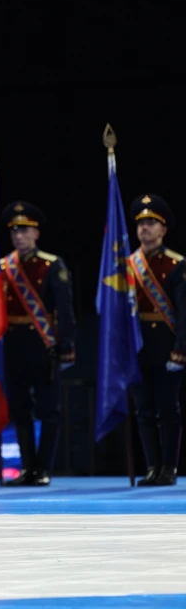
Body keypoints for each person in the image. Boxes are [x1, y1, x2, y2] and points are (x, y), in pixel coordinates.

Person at [0, 201, 76, 487]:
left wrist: (66, 346)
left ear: (36, 233)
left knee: (48, 409)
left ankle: (44, 468)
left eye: (25, 230)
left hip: (44, 345)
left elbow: (65, 310)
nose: (19, 236)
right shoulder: (3, 267)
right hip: (13, 345)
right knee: (19, 409)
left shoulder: (52, 265)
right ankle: (28, 467)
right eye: (15, 231)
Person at [127, 194, 186, 486]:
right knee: (143, 410)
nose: (145, 229)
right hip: (136, 347)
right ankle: (151, 466)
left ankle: (169, 468)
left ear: (163, 229)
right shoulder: (126, 265)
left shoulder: (176, 264)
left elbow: (184, 311)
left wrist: (181, 349)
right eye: (141, 223)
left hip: (166, 344)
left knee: (167, 408)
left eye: (151, 223)